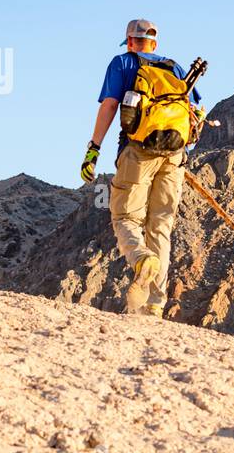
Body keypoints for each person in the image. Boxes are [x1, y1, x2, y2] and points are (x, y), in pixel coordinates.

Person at [81, 18, 204, 316]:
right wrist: (180, 152)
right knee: (161, 225)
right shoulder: (175, 69)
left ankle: (141, 259)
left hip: (137, 152)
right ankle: (154, 304)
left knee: (125, 217)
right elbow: (194, 113)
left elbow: (110, 105)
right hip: (175, 155)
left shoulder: (123, 64)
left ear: (130, 41)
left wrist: (93, 149)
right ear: (155, 44)